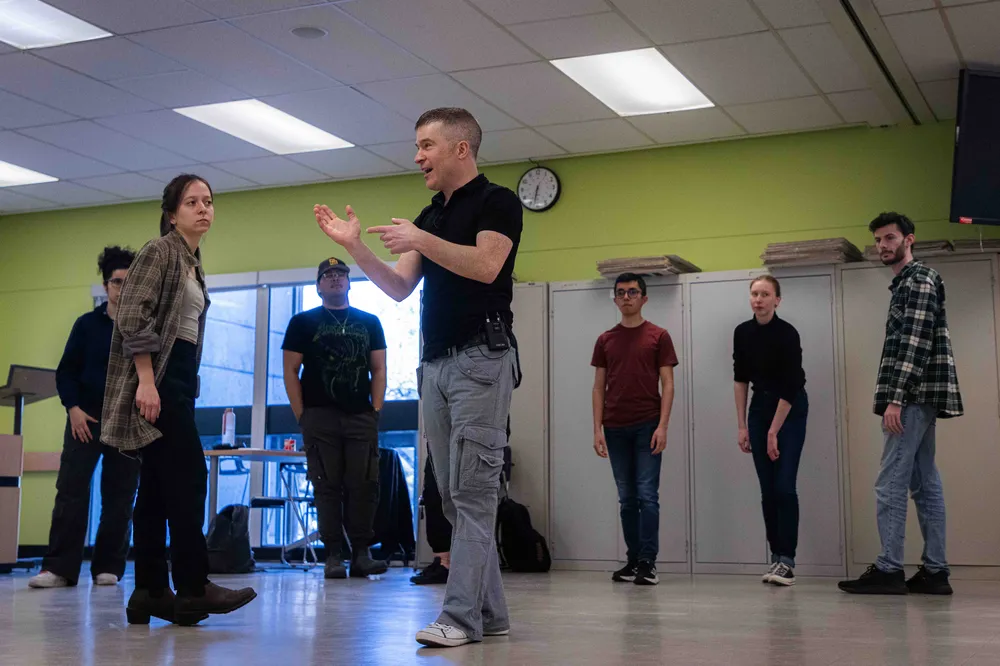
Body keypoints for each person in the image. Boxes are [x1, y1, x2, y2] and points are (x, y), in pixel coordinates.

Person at [314, 107, 522, 648]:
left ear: (461, 149)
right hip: (435, 365)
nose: (417, 156)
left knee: (474, 494)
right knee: (453, 498)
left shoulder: (497, 201)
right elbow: (400, 288)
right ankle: (492, 613)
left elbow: (485, 266)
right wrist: (354, 246)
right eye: (417, 146)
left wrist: (421, 241)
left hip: (482, 358)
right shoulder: (429, 215)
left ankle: (459, 618)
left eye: (427, 145)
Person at [102, 174, 257, 626]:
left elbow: (184, 332)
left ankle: (149, 592)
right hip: (160, 382)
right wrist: (148, 382)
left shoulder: (192, 260)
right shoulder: (160, 251)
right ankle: (193, 587)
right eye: (192, 202)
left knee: (154, 490)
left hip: (180, 381)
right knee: (189, 477)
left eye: (208, 201)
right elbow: (133, 317)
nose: (203, 208)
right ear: (172, 214)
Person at [839, 212, 961, 596]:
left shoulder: (919, 279)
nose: (882, 245)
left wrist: (896, 399)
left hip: (911, 397)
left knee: (890, 482)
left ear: (909, 240)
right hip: (920, 396)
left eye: (889, 238)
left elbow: (914, 342)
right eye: (878, 240)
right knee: (925, 483)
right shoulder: (906, 283)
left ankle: (890, 568)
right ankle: (935, 572)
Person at [29, 247, 140, 589]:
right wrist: (73, 409)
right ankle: (59, 569)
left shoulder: (141, 329)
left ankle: (109, 566)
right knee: (71, 492)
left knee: (120, 495)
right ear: (106, 286)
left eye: (128, 282)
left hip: (126, 422)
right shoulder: (86, 325)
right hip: (84, 419)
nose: (122, 288)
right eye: (116, 282)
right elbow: (66, 373)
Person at [282, 257, 389, 580]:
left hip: (360, 416)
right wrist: (302, 415)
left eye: (340, 274)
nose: (334, 278)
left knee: (364, 485)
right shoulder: (302, 322)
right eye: (327, 275)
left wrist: (376, 410)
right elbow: (290, 370)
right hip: (319, 416)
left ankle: (361, 554)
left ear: (349, 282)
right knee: (326, 486)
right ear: (318, 286)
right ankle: (332, 556)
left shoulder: (369, 322)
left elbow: (379, 368)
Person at [591, 273, 677, 587]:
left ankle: (648, 563)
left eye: (633, 292)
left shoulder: (659, 336)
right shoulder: (605, 340)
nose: (627, 297)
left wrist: (663, 426)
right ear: (615, 299)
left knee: (647, 496)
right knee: (627, 499)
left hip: (647, 426)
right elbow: (598, 388)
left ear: (644, 298)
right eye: (621, 292)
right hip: (614, 428)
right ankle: (632, 560)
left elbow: (668, 384)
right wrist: (597, 429)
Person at [733, 275, 808, 587]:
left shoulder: (787, 334)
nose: (758, 299)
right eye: (754, 294)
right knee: (767, 489)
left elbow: (792, 385)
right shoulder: (742, 332)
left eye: (765, 294)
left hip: (789, 409)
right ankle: (776, 557)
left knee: (784, 486)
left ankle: (787, 561)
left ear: (777, 300)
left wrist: (773, 431)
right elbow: (740, 379)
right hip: (760, 409)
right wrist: (742, 425)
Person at [409, 449, 451, 585]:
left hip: (462, 446)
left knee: (443, 500)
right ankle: (442, 561)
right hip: (439, 448)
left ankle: (446, 563)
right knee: (433, 497)